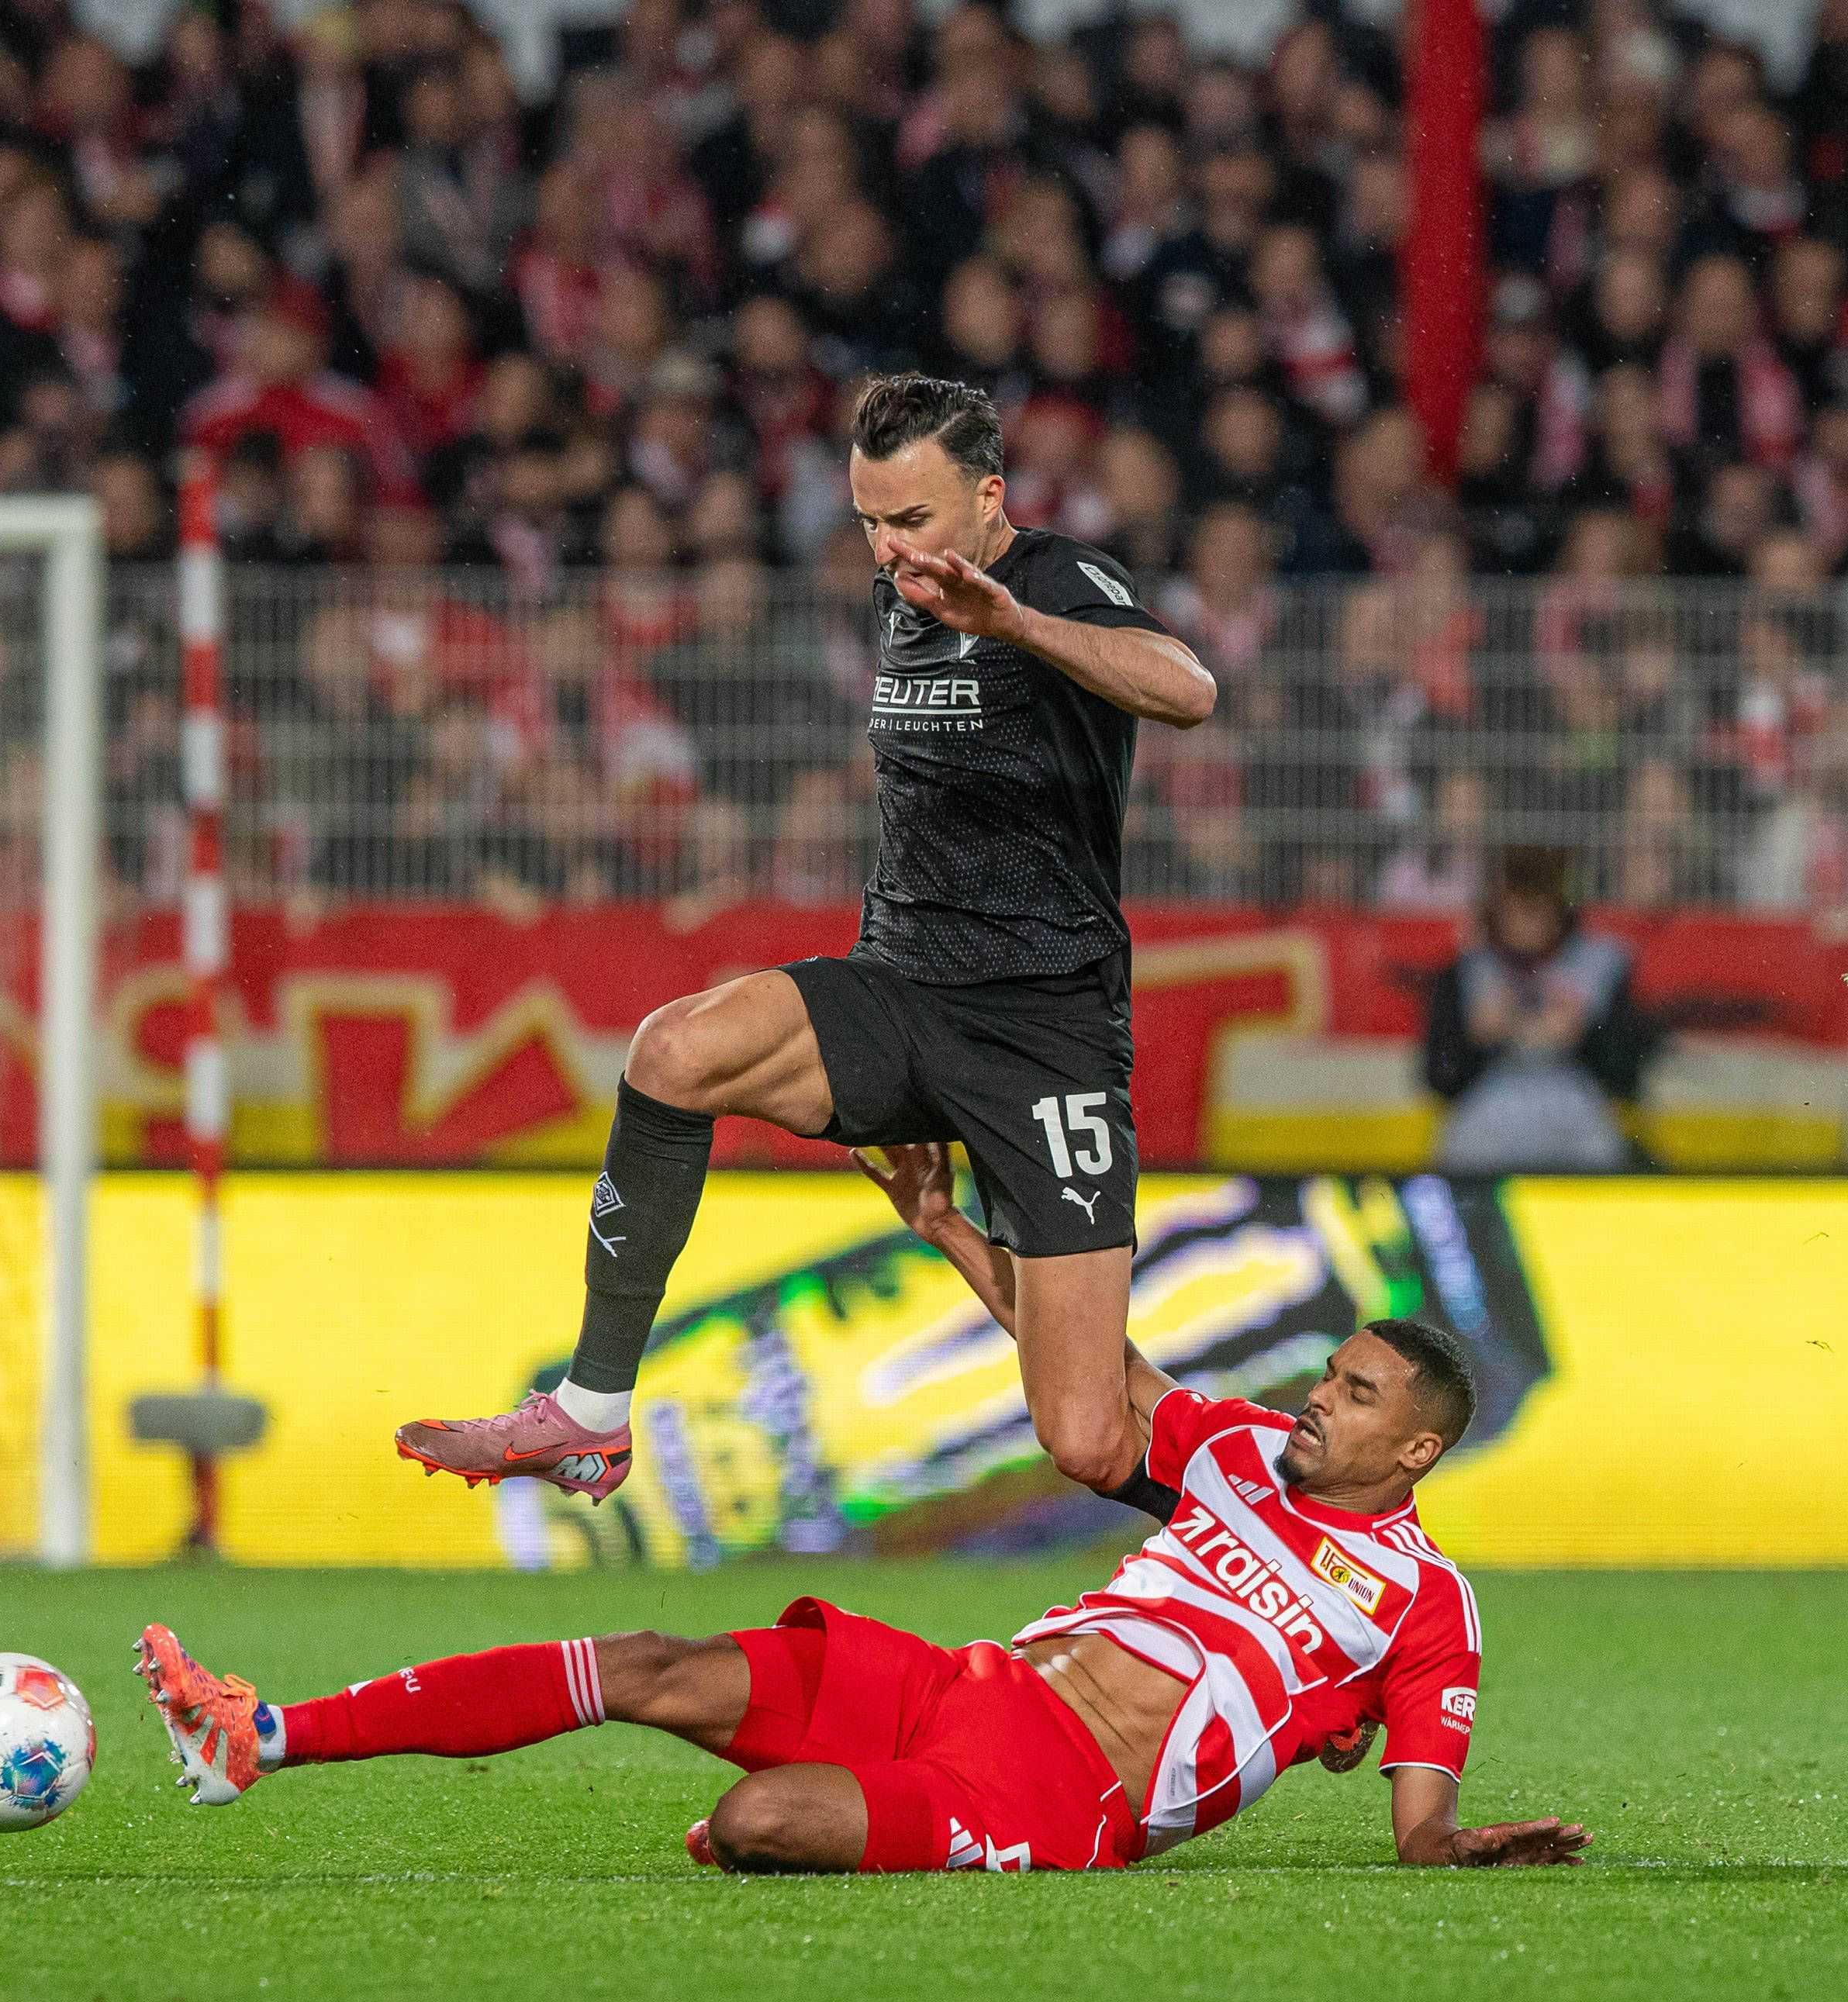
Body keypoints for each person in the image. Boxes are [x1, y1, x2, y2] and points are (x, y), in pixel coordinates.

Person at [140, 1141, 1587, 1876]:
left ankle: (789, 1832)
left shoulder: (1426, 1604)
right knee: (649, 1661)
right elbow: (1091, 1364)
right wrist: (946, 1226)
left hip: (1057, 1795)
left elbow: (1416, 1821)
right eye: (1331, 1375)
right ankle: (260, 1737)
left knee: (761, 1821)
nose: (1319, 1397)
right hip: (971, 1686)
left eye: (1353, 1393)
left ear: (1415, 1453)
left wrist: (1453, 1847)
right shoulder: (1236, 1450)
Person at [393, 374, 1218, 1523]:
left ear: (990, 499)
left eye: (912, 521)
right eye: (869, 521)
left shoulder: (1056, 579)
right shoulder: (903, 592)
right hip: (902, 988)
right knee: (672, 1053)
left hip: (1044, 1031)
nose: (886, 549)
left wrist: (1016, 625)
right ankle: (590, 1408)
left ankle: (1275, 1540)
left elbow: (1190, 689)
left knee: (1086, 1435)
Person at [1419, 847, 1660, 1174]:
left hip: (1580, 1133)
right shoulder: (1464, 972)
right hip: (1485, 1134)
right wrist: (1472, 1037)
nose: (1526, 921)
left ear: (1558, 908)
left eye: (1537, 907)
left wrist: (1587, 1034)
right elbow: (1437, 1080)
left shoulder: (1601, 964)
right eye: (1516, 907)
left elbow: (1628, 1078)